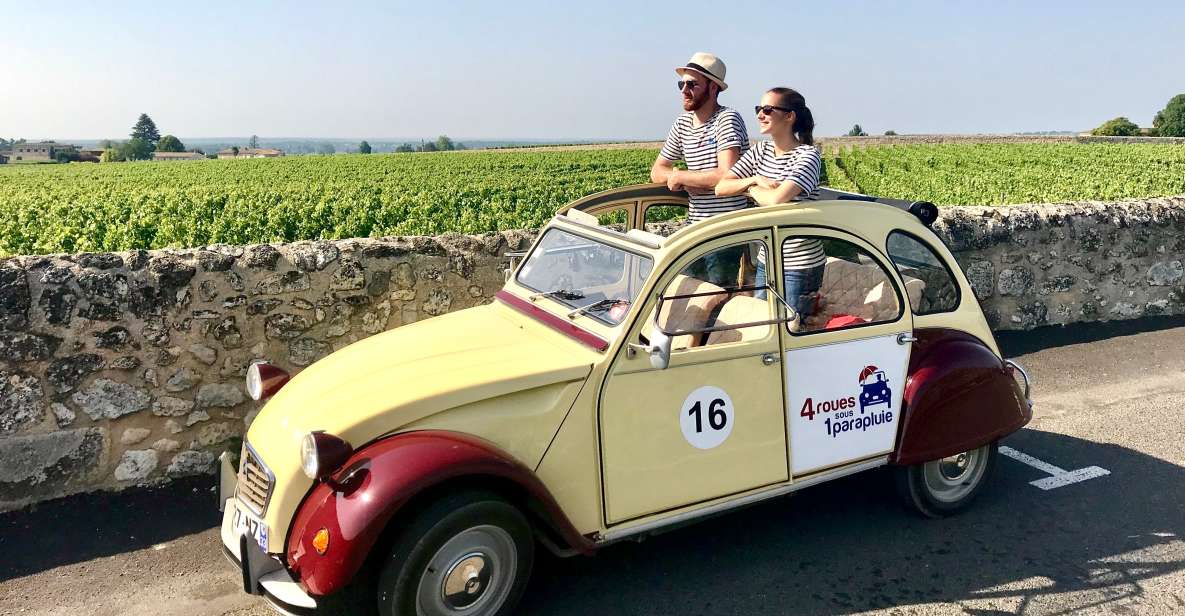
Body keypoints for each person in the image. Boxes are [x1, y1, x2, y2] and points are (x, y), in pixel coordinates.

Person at [715, 87, 822, 313]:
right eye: (758, 109)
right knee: (762, 325)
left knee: (791, 330)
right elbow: (721, 187)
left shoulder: (808, 156)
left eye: (767, 109)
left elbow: (775, 200)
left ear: (789, 116)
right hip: (767, 257)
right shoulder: (760, 150)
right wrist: (754, 179)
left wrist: (750, 188)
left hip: (799, 264)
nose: (759, 115)